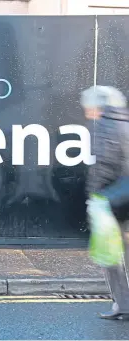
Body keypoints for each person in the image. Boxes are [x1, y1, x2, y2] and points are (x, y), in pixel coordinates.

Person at [81, 85, 129, 320]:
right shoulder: (125, 123)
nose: (86, 111)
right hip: (125, 197)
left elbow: (104, 166)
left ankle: (123, 305)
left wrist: (95, 197)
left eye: (87, 106)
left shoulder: (106, 125)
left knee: (111, 255)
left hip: (114, 200)